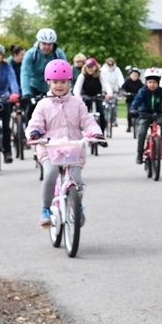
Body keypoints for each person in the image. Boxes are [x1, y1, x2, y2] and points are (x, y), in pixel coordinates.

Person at [26, 59, 104, 227]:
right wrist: (34, 133)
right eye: (55, 82)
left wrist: (96, 133)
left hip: (73, 150)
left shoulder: (77, 104)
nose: (59, 86)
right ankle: (46, 208)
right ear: (48, 82)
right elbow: (35, 123)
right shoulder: (43, 105)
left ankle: (78, 206)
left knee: (77, 179)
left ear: (69, 82)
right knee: (51, 174)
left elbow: (88, 121)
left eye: (63, 82)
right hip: (50, 150)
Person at [131, 67, 162, 164]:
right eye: (150, 82)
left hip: (158, 114)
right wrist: (133, 108)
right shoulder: (143, 91)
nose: (152, 84)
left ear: (158, 82)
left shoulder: (161, 91)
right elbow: (137, 101)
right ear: (146, 82)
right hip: (144, 114)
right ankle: (139, 153)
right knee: (141, 133)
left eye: (154, 82)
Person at [20, 28, 68, 123]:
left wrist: (65, 91)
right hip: (34, 85)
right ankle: (30, 133)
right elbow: (25, 73)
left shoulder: (59, 54)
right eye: (44, 44)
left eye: (49, 44)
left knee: (57, 110)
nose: (46, 47)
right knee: (31, 110)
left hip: (51, 86)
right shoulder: (30, 54)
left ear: (53, 44)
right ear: (39, 42)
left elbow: (65, 73)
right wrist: (26, 93)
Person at [74, 58, 114, 131]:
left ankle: (102, 131)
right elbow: (77, 86)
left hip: (97, 95)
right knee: (85, 112)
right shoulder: (82, 75)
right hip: (86, 95)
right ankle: (83, 128)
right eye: (88, 67)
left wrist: (109, 93)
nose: (90, 69)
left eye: (92, 67)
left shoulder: (100, 75)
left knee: (101, 112)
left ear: (96, 67)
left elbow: (106, 84)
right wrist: (77, 95)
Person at [99, 58, 125, 127]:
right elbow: (101, 80)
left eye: (112, 64)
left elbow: (120, 79)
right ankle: (104, 119)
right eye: (109, 64)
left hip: (114, 90)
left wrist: (122, 88)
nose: (110, 65)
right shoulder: (102, 70)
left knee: (114, 105)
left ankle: (113, 119)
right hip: (104, 90)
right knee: (103, 104)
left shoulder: (117, 70)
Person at [120, 67, 144, 133]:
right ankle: (129, 125)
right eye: (133, 75)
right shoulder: (127, 81)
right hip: (130, 99)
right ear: (130, 75)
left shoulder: (139, 82)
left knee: (140, 111)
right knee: (129, 113)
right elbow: (123, 88)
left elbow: (143, 88)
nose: (134, 77)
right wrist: (125, 93)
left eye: (136, 75)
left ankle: (139, 124)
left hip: (138, 99)